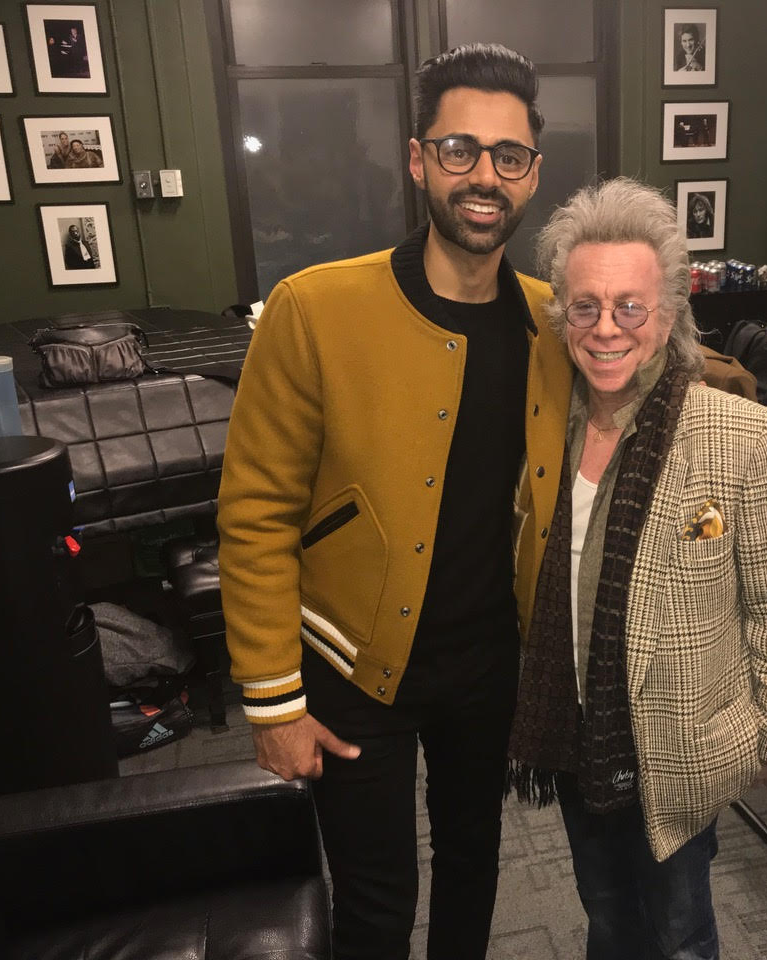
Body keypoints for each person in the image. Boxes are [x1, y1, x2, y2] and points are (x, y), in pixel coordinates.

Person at [217, 43, 573, 960]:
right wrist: (272, 705)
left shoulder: (552, 324)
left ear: (533, 172)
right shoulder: (314, 309)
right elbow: (255, 515)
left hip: (488, 665)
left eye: (508, 155)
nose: (484, 176)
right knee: (376, 905)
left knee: (473, 864)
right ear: (418, 160)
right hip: (352, 665)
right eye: (460, 150)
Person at [507, 178, 767, 960]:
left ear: (671, 312)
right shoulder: (541, 432)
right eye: (586, 306)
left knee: (679, 931)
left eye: (630, 306)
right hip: (575, 734)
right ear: (562, 314)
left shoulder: (741, 439)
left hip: (680, 742)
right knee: (607, 918)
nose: (606, 328)